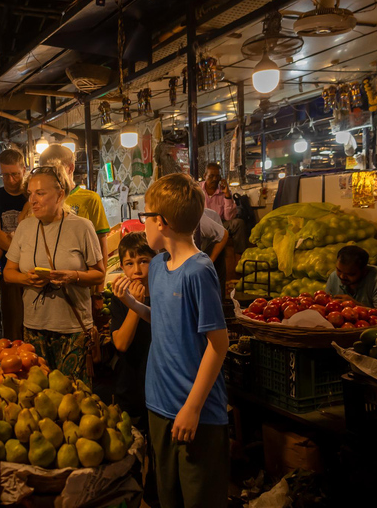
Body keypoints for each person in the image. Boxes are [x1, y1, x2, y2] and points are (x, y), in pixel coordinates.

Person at [115, 173, 230, 508]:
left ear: (161, 222)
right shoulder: (157, 267)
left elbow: (218, 343)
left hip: (195, 411)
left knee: (198, 498)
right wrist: (132, 305)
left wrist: (192, 409)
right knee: (169, 498)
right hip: (159, 405)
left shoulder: (198, 271)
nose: (143, 225)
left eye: (145, 216)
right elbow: (165, 320)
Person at [3, 164, 104, 383]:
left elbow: (99, 274)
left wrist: (73, 276)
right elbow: (8, 273)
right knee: (39, 399)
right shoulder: (25, 228)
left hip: (73, 329)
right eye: (30, 194)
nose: (33, 200)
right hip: (34, 327)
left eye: (40, 193)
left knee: (75, 399)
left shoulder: (82, 227)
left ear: (60, 194)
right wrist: (26, 278)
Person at [109, 232, 158, 505]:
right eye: (129, 264)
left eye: (143, 261)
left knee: (159, 453)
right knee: (132, 453)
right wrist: (131, 305)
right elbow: (122, 343)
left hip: (161, 385)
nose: (136, 270)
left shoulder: (164, 293)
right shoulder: (120, 297)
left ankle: (154, 497)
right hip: (131, 384)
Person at [39, 145, 110, 287]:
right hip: (47, 280)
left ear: (70, 168)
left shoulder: (90, 198)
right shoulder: (41, 199)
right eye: (45, 170)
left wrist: (99, 289)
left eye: (54, 170)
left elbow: (101, 243)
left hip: (81, 281)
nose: (49, 175)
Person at [0, 149, 28, 341]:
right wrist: (21, 253)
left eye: (15, 174)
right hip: (10, 272)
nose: (10, 180)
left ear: (24, 169)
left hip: (37, 269)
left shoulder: (32, 194)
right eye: (5, 175)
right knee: (14, 328)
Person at [201, 162, 248, 256]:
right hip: (202, 223)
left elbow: (229, 218)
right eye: (211, 176)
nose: (215, 179)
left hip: (220, 223)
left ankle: (240, 257)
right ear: (205, 176)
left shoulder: (224, 191)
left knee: (238, 223)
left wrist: (227, 195)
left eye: (217, 176)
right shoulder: (197, 189)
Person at [326, 245, 377, 309]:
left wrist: (355, 306)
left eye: (350, 274)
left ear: (364, 271)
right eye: (339, 270)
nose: (342, 276)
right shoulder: (334, 277)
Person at [197, 208, 229, 301]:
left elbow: (223, 235)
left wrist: (210, 261)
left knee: (213, 293)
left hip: (211, 247)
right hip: (194, 253)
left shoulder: (199, 219)